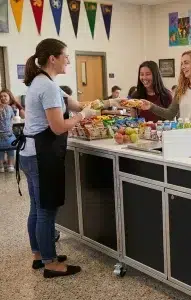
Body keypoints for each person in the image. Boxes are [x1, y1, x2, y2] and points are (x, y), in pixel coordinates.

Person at [14, 38, 120, 278]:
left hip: (31, 154)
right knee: (46, 210)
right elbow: (59, 126)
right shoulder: (48, 87)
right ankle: (51, 264)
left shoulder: (42, 82)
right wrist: (83, 115)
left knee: (36, 207)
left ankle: (39, 254)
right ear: (53, 58)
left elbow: (77, 103)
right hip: (42, 156)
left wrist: (111, 102)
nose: (69, 60)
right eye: (66, 56)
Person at [140, 51, 191, 126]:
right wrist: (150, 106)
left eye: (186, 63)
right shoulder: (181, 88)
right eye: (182, 64)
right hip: (183, 136)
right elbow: (170, 114)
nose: (183, 67)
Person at [0, 90, 16, 173]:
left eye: (4, 96)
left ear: (9, 97)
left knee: (1, 150)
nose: (2, 97)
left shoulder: (8, 107)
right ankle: (10, 165)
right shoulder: (10, 108)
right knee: (11, 148)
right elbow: (13, 119)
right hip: (8, 136)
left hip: (1, 136)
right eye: (1, 96)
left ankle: (1, 166)